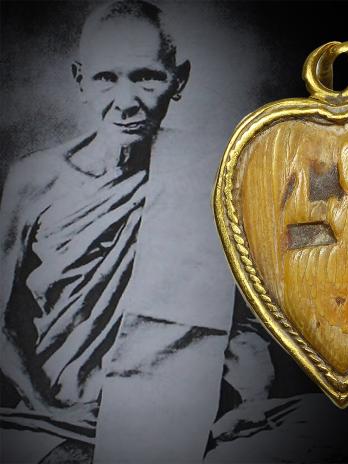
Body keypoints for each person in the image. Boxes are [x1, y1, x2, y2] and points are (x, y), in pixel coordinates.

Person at [0, 1, 191, 461]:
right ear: (80, 80)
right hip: (60, 414)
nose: (125, 102)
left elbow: (233, 318)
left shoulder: (203, 177)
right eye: (106, 78)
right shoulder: (34, 180)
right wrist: (48, 409)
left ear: (178, 80)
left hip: (169, 410)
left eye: (146, 77)